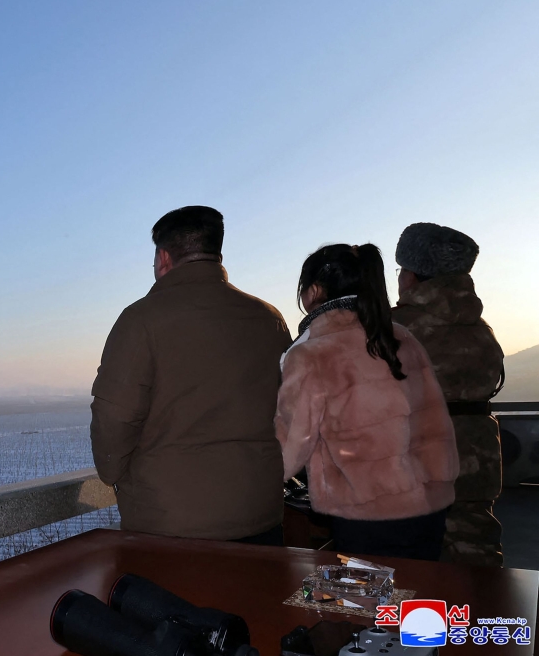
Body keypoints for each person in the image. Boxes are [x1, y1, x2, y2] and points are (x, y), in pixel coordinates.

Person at [90, 206, 292, 543]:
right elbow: (288, 410)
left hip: (169, 524)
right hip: (260, 512)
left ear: (164, 257)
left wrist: (114, 474)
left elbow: (114, 417)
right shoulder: (268, 319)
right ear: (217, 253)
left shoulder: (140, 320)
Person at [276, 243, 459, 560]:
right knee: (416, 600)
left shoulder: (309, 352)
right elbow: (435, 420)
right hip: (430, 501)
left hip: (365, 510)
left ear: (314, 291)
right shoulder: (401, 335)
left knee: (370, 605)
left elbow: (291, 446)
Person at [393, 223, 505, 567]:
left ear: (411, 276)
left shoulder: (394, 328)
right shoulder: (479, 325)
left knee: (412, 563)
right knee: (476, 552)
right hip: (479, 453)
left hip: (420, 456)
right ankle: (479, 616)